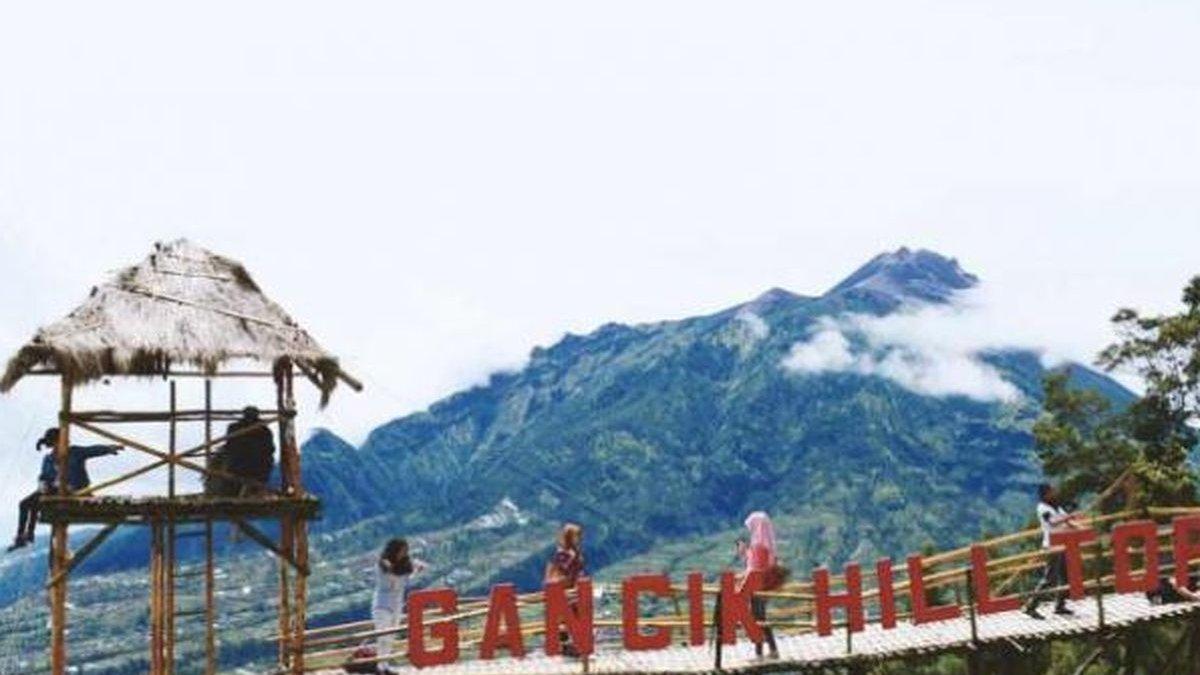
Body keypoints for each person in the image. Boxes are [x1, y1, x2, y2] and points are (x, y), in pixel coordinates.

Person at [9, 428, 122, 552]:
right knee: (25, 503)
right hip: (54, 490)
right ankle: (24, 536)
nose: (67, 442)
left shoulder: (74, 452)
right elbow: (44, 477)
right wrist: (42, 485)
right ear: (56, 442)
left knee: (38, 501)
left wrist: (109, 449)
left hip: (76, 491)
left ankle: (29, 535)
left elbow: (92, 450)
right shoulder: (48, 458)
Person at [1024, 483, 1082, 619]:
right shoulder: (1042, 508)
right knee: (1049, 578)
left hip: (1062, 544)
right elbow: (1053, 522)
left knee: (1065, 575)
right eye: (1052, 491)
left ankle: (1060, 605)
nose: (1054, 493)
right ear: (1045, 494)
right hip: (1051, 545)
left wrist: (1076, 526)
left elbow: (1065, 521)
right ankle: (1031, 605)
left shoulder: (1056, 506)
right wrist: (1070, 518)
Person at [372, 538, 426, 675]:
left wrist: (415, 571)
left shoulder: (404, 566)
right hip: (382, 604)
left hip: (396, 604)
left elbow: (404, 582)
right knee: (383, 636)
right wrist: (411, 570)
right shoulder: (383, 564)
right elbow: (393, 580)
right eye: (402, 550)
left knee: (391, 636)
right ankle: (380, 666)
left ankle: (385, 665)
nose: (404, 553)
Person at [207, 407, 275, 496]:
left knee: (232, 484)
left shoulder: (234, 427)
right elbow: (270, 449)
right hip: (254, 467)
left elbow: (229, 446)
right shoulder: (264, 430)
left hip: (240, 466)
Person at [738, 511, 779, 659]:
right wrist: (745, 552)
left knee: (758, 619)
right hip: (763, 587)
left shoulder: (759, 545)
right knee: (759, 618)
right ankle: (767, 650)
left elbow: (754, 570)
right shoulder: (767, 546)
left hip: (756, 588)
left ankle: (764, 652)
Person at [544, 523, 586, 657]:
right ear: (569, 536)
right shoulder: (562, 553)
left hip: (573, 588)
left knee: (575, 617)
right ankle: (566, 647)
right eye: (575, 536)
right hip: (564, 589)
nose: (578, 538)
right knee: (565, 618)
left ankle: (573, 645)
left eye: (579, 536)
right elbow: (561, 570)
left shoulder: (575, 552)